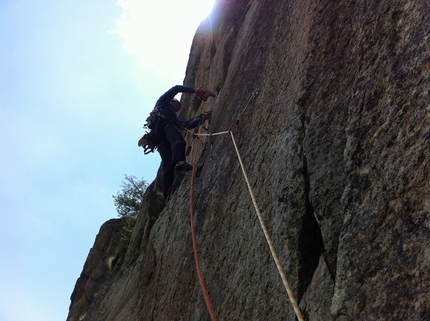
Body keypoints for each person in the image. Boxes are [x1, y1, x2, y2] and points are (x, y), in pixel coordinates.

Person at [140, 85, 211, 197]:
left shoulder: (174, 119)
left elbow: (187, 125)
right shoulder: (163, 102)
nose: (178, 108)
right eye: (177, 105)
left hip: (158, 137)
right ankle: (179, 162)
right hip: (163, 124)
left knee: (167, 163)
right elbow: (176, 88)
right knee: (179, 142)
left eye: (179, 107)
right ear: (171, 101)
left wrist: (202, 119)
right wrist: (195, 90)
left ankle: (167, 191)